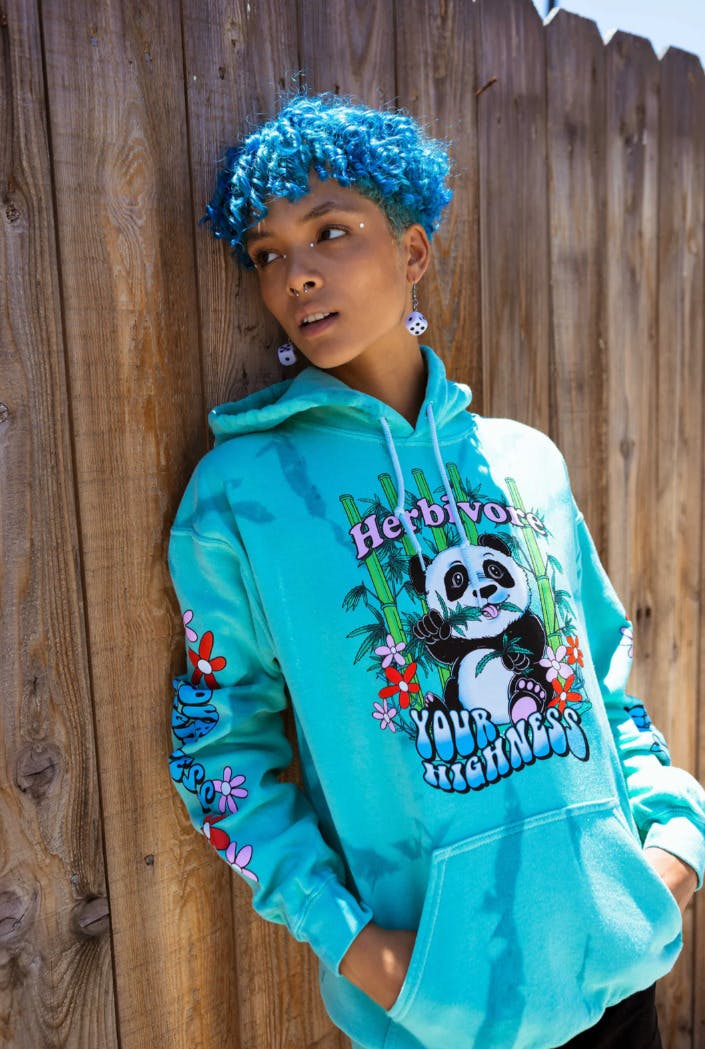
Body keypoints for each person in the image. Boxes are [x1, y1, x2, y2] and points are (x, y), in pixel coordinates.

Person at [167, 91, 705, 1049]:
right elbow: (219, 746)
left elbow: (603, 684)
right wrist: (359, 946)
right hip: (438, 1010)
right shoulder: (241, 495)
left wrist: (673, 847)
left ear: (412, 251)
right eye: (266, 252)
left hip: (614, 969)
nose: (296, 273)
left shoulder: (524, 461)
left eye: (330, 232)